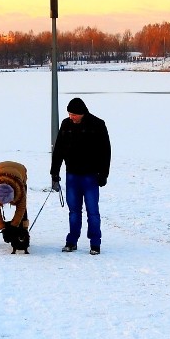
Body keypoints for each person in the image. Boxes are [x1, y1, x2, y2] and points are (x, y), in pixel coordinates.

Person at [50, 97, 111, 255]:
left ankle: (95, 243)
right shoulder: (66, 125)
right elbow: (58, 150)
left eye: (74, 114)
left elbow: (105, 151)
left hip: (91, 176)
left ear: (82, 113)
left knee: (93, 211)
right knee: (74, 211)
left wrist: (103, 174)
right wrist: (54, 172)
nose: (71, 117)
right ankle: (72, 241)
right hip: (72, 176)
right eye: (69, 114)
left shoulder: (98, 124)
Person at [0, 161, 28, 246]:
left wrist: (13, 226)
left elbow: (20, 209)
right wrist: (3, 228)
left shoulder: (20, 189)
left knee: (23, 208)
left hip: (19, 170)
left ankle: (22, 234)